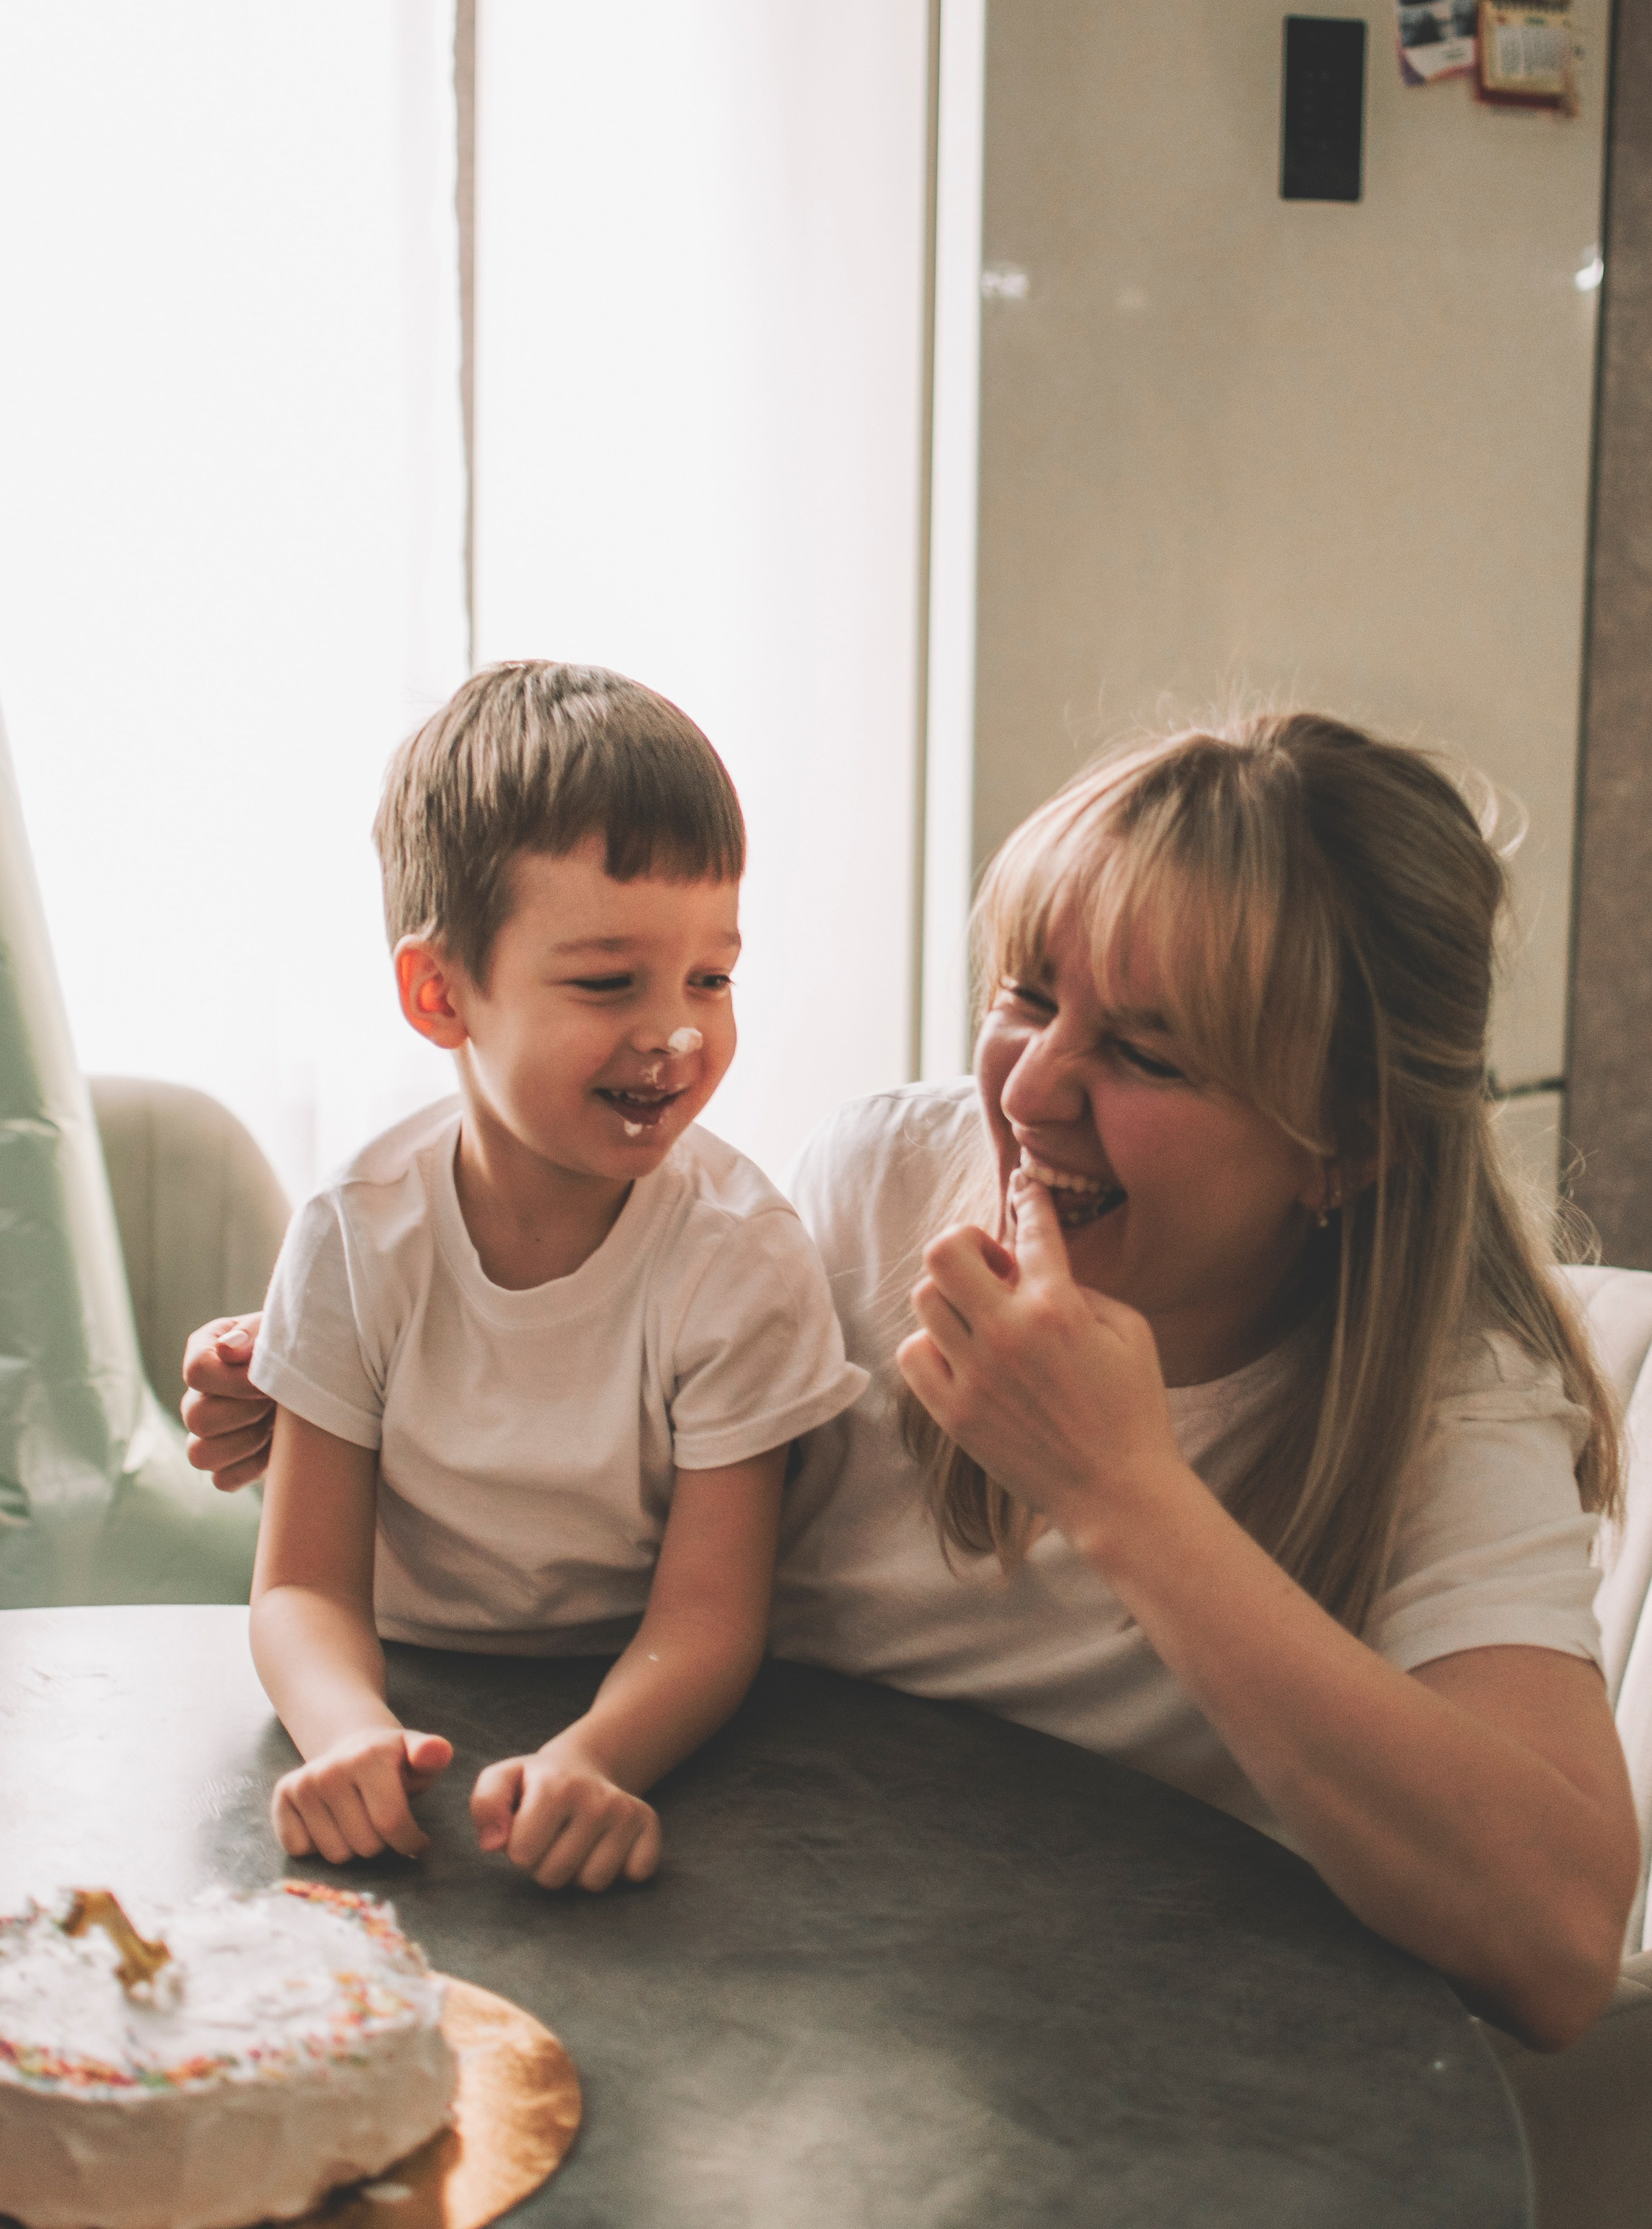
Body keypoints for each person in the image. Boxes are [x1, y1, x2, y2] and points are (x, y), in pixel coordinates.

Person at [185, 710, 1637, 2048]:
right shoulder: (886, 1175)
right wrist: (353, 1373)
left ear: (1348, 1139)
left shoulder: (1447, 1398)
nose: (1024, 1090)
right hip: (724, 1955)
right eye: (1027, 995)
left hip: (1113, 2045)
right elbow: (635, 1436)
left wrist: (1128, 1494)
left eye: (1142, 1051)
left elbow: (1557, 1948)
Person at [241, 661, 864, 1895]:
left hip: (652, 1715)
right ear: (442, 993)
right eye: (605, 982)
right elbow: (302, 1582)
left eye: (713, 976)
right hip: (399, 1688)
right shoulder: (357, 1232)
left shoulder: (740, 1257)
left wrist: (594, 1758)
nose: (678, 1033)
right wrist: (348, 1735)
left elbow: (709, 1618)